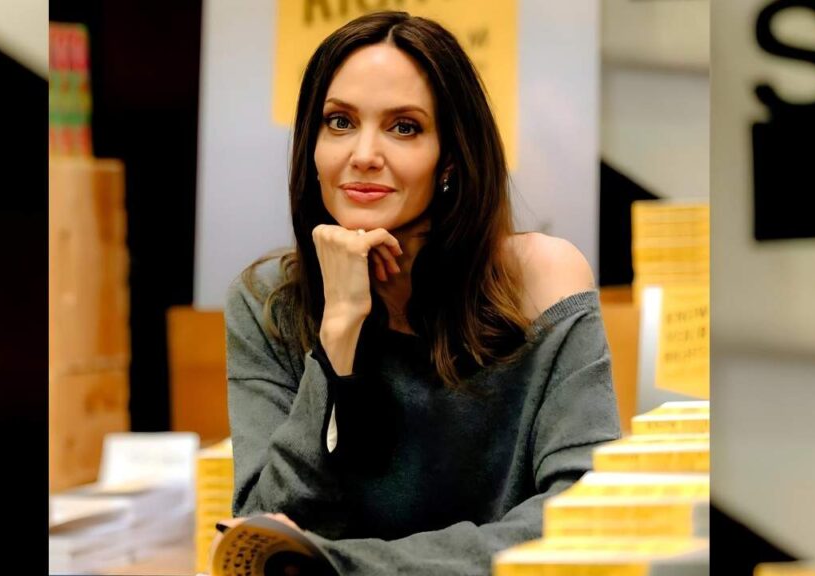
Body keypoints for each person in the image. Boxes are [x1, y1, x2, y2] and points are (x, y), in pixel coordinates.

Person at [220, 10, 620, 575]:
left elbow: (588, 511)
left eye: (403, 126)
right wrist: (337, 339)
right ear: (311, 148)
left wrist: (345, 566)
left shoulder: (543, 281)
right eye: (339, 122)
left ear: (450, 159)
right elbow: (263, 538)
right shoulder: (267, 304)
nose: (363, 153)